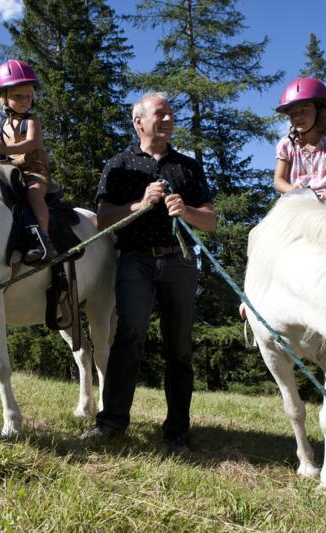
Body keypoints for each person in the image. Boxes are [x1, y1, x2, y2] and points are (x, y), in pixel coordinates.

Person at [80, 92, 217, 453]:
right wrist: (140, 204)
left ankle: (177, 432)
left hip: (180, 262)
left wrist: (185, 211)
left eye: (172, 113)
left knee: (180, 347)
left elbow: (211, 221)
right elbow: (102, 219)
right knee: (128, 337)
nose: (170, 118)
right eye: (161, 113)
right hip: (135, 260)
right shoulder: (119, 164)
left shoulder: (188, 167)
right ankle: (112, 423)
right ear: (139, 122)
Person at [0, 59, 58, 264]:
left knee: (34, 193)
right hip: (12, 171)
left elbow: (31, 144)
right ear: (4, 99)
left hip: (34, 168)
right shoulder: (0, 127)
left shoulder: (32, 121)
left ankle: (44, 239)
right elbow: (1, 152)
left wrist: (4, 148)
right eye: (18, 96)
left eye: (28, 95)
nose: (25, 100)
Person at [273, 78, 326, 200]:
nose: (298, 117)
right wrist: (291, 189)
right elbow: (279, 180)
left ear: (319, 111)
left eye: (304, 111)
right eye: (293, 114)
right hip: (297, 197)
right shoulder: (286, 145)